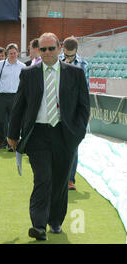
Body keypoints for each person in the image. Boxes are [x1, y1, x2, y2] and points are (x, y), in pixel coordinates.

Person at [7, 32, 90, 241]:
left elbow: (84, 107)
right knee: (42, 179)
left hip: (65, 134)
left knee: (61, 180)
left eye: (51, 48)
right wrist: (12, 134)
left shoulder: (76, 73)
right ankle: (38, 225)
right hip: (37, 135)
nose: (46, 53)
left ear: (59, 48)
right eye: (42, 49)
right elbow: (19, 106)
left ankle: (55, 221)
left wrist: (77, 133)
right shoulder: (29, 73)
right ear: (38, 50)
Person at [59, 36, 90, 191]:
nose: (68, 57)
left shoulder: (83, 64)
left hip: (74, 110)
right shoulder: (56, 61)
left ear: (76, 51)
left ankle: (70, 179)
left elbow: (86, 90)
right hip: (57, 109)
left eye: (71, 55)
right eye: (66, 54)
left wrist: (85, 114)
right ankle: (57, 176)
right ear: (62, 49)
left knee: (73, 146)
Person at [0, 43, 25, 151]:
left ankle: (12, 144)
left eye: (14, 53)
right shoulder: (1, 64)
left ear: (17, 53)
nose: (13, 55)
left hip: (15, 97)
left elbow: (24, 84)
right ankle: (1, 141)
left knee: (14, 122)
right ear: (7, 54)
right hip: (1, 96)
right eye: (10, 53)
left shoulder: (22, 66)